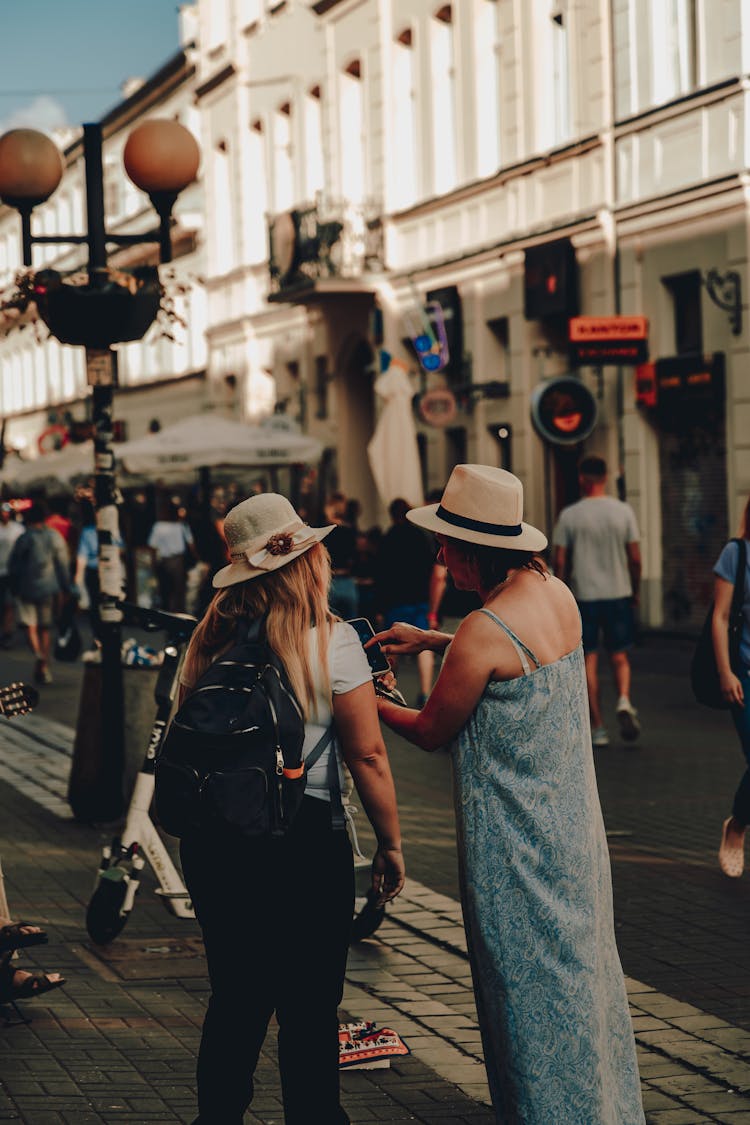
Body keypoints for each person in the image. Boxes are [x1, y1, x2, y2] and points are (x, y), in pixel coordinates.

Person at [372, 464, 645, 1125]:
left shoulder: (486, 625)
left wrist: (365, 697)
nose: (440, 555)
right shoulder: (556, 594)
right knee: (581, 983)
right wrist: (435, 638)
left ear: (475, 550)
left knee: (523, 997)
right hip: (574, 837)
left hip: (514, 851)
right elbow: (506, 659)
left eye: (447, 544)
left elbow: (433, 728)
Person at [178, 492, 404, 1125]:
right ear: (309, 562)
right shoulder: (334, 642)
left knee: (236, 998)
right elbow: (369, 757)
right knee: (308, 1007)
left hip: (216, 839)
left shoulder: (206, 640)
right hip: (306, 837)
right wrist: (390, 844)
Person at [552, 454, 642, 747]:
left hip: (584, 595)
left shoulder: (570, 515)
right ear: (605, 477)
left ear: (582, 479)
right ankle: (625, 700)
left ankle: (599, 728)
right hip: (618, 592)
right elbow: (636, 557)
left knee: (588, 659)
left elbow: (561, 560)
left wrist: (561, 594)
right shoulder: (623, 511)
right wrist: (635, 589)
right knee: (620, 656)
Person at [713, 494, 750, 878]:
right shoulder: (736, 554)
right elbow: (721, 617)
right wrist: (726, 672)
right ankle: (737, 827)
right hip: (746, 676)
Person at [375, 498, 436, 707]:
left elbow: (381, 574)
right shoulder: (422, 536)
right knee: (424, 644)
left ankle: (390, 688)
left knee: (393, 647)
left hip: (395, 600)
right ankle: (425, 692)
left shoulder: (388, 537)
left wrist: (380, 607)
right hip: (420, 599)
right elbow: (432, 570)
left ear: (392, 515)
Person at [7, 502, 72, 685]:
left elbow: (15, 565)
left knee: (30, 626)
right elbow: (62, 564)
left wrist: (14, 585)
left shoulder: (25, 538)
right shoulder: (54, 537)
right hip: (49, 588)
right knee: (45, 627)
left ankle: (39, 656)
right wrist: (66, 588)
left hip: (26, 588)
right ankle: (44, 662)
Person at [148, 500, 196, 613]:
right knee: (178, 590)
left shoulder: (158, 526)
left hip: (164, 560)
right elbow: (191, 545)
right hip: (178, 560)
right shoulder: (181, 526)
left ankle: (167, 612)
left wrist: (154, 563)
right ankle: (177, 613)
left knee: (165, 589)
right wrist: (197, 558)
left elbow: (153, 547)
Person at [324, 491, 359, 619]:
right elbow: (354, 557)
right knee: (352, 624)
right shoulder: (351, 531)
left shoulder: (323, 532)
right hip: (347, 581)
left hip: (329, 582)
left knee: (329, 625)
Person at [0, 503, 23, 647]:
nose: (5, 515)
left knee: (9, 603)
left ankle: (7, 631)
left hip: (12, 572)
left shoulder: (18, 529)